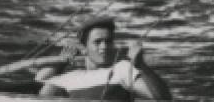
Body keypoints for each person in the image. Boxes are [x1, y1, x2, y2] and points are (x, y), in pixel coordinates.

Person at [36, 17, 172, 100]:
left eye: (108, 41)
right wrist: (61, 61)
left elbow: (162, 98)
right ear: (84, 47)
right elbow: (38, 87)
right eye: (97, 42)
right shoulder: (70, 78)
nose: (104, 47)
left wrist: (141, 66)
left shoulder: (123, 69)